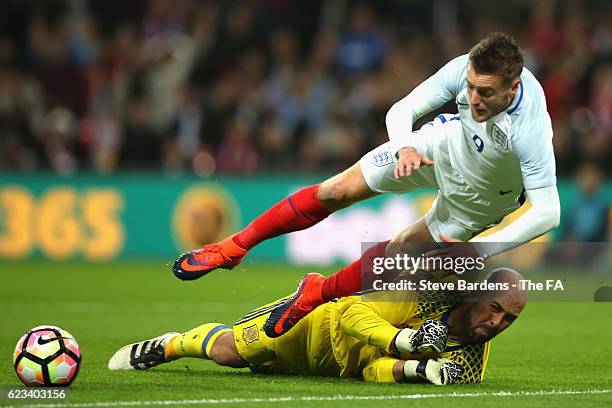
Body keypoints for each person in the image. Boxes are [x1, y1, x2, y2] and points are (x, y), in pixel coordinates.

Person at [172, 32, 559, 338]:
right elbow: (402, 109)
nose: (473, 97)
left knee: (400, 254)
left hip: (484, 198)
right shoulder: (466, 69)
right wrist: (405, 145)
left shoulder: (530, 128)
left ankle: (315, 293)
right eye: (471, 87)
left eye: (485, 93)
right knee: (335, 190)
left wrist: (482, 248)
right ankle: (233, 247)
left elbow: (548, 212)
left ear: (511, 89)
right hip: (442, 146)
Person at [108, 268, 527, 386]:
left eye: (510, 319)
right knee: (230, 354)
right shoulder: (425, 293)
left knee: (257, 373)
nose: (497, 323)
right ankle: (173, 345)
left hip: (333, 369)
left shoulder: (470, 365)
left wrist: (413, 369)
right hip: (314, 322)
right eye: (494, 308)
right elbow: (352, 315)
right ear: (473, 295)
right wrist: (406, 340)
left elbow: (372, 370)